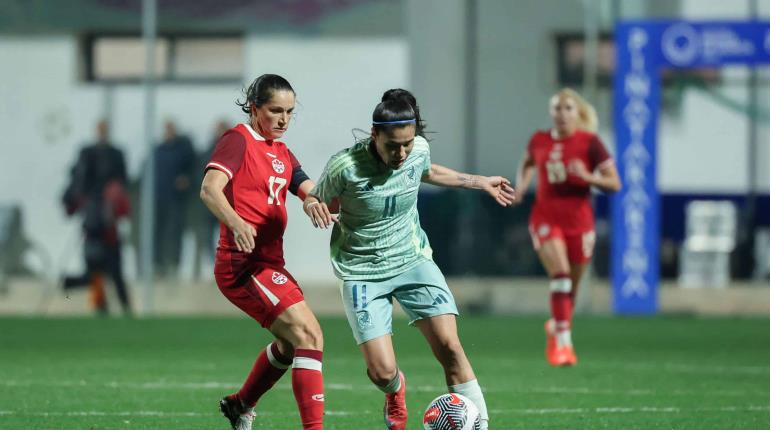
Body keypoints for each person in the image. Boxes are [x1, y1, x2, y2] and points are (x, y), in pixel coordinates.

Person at [304, 89, 515, 430]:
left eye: (407, 143)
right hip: (362, 271)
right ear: (375, 135)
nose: (401, 153)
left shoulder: (417, 151)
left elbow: (427, 171)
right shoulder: (344, 166)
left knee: (450, 346)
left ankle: (481, 425)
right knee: (381, 372)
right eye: (392, 145)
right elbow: (316, 197)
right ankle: (395, 390)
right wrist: (313, 204)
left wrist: (479, 182)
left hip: (413, 260)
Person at [200, 74, 329, 430]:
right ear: (255, 108)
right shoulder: (237, 140)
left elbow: (304, 184)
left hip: (269, 263)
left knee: (290, 346)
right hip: (243, 265)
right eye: (275, 111)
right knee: (310, 335)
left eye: (289, 112)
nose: (284, 119)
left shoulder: (281, 151)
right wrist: (236, 222)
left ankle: (240, 404)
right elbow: (210, 189)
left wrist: (316, 202)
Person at [513, 88, 621, 366]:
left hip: (580, 222)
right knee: (560, 275)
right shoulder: (539, 139)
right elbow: (527, 163)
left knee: (569, 287)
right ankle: (564, 344)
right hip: (546, 218)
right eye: (557, 108)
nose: (561, 114)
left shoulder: (590, 143)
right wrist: (522, 187)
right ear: (551, 112)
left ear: (578, 113)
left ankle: (556, 326)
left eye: (568, 108)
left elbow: (614, 183)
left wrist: (587, 176)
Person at [62, 119, 132, 315]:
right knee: (94, 269)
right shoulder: (87, 154)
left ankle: (125, 307)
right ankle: (100, 307)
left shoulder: (116, 155)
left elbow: (122, 184)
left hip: (109, 225)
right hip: (92, 223)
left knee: (115, 268)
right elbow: (77, 185)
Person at [153, 120, 196, 276]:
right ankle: (158, 264)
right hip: (159, 199)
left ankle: (174, 264)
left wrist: (186, 179)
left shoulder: (183, 150)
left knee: (175, 232)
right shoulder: (158, 150)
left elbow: (192, 169)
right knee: (158, 232)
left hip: (177, 200)